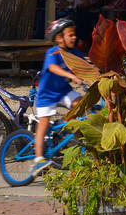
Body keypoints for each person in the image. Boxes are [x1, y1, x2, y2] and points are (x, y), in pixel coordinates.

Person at [33, 18, 88, 175]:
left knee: (81, 104)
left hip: (63, 91)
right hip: (46, 95)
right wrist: (71, 76)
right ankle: (38, 160)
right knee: (43, 125)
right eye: (69, 35)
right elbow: (53, 67)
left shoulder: (75, 53)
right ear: (59, 38)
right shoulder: (53, 52)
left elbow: (86, 67)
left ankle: (62, 126)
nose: (73, 38)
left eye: (74, 35)